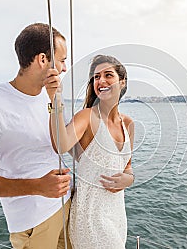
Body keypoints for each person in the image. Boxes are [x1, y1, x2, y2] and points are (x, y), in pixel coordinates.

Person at [0, 23, 72, 249]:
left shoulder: (51, 94)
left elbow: (63, 142)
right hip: (33, 222)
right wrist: (38, 186)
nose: (65, 68)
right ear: (42, 60)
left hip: (66, 207)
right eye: (61, 60)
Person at [46, 55, 135, 248]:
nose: (101, 81)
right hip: (90, 217)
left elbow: (127, 166)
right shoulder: (87, 117)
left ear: (122, 82)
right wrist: (55, 99)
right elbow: (61, 145)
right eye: (96, 77)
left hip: (117, 214)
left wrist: (129, 179)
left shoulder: (128, 124)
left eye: (108, 75)